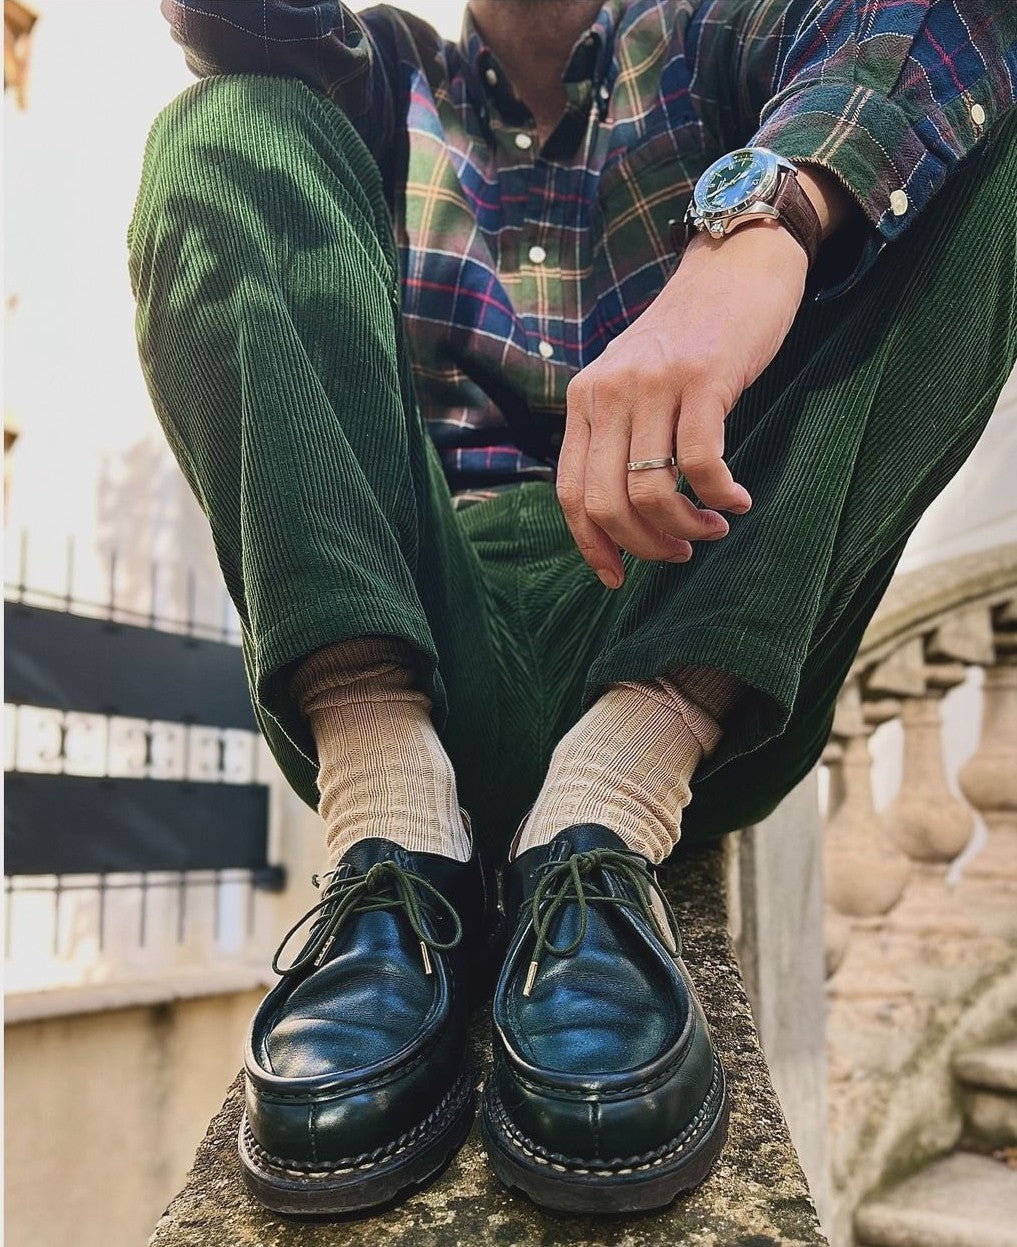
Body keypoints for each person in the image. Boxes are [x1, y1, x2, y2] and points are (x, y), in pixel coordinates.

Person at [129, 0, 1017, 1219]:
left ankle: (600, 812)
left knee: (969, 151)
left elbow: (933, 25)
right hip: (420, 649)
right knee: (222, 125)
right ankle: (393, 821)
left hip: (684, 633)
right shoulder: (382, 76)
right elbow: (245, 33)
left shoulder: (718, 41)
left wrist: (765, 224)